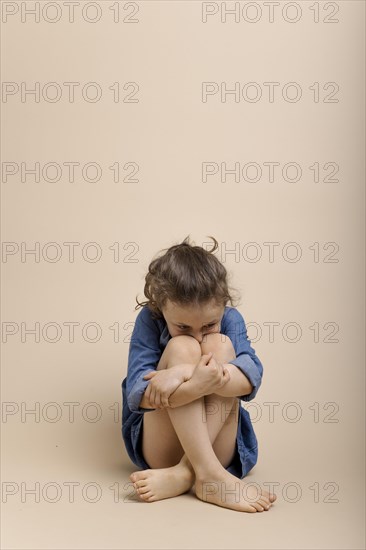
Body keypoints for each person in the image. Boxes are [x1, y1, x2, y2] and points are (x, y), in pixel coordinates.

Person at [121, 235, 277, 512]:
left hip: (221, 448)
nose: (197, 335)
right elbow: (139, 395)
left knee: (220, 345)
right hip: (162, 450)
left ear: (222, 303)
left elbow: (250, 379)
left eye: (208, 324)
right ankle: (206, 474)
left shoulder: (230, 319)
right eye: (182, 326)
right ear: (160, 306)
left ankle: (189, 472)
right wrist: (194, 383)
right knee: (181, 347)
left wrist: (184, 373)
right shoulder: (149, 319)